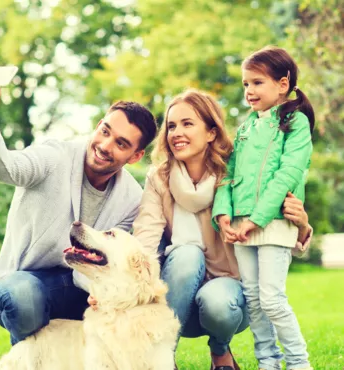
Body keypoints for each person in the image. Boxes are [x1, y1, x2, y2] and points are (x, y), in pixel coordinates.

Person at [0, 67, 157, 345]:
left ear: (136, 156)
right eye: (105, 131)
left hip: (80, 288)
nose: (105, 145)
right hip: (26, 281)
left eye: (121, 143)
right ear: (98, 125)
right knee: (22, 296)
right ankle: (27, 355)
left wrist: (101, 290)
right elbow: (4, 169)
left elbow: (106, 260)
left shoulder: (132, 198)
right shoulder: (54, 155)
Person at [132, 89, 312, 370]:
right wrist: (133, 285)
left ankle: (220, 350)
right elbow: (145, 235)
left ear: (212, 133)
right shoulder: (159, 178)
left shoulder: (237, 173)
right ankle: (162, 359)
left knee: (217, 301)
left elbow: (274, 228)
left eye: (188, 124)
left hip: (227, 301)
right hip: (174, 297)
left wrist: (301, 226)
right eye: (171, 126)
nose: (176, 132)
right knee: (188, 254)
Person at [212, 46, 314, 370]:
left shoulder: (295, 123)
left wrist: (257, 219)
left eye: (257, 83)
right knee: (254, 302)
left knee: (272, 298)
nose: (249, 91)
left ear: (282, 84)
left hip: (273, 223)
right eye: (245, 84)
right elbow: (226, 175)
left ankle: (299, 364)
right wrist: (223, 215)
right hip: (241, 226)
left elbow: (288, 173)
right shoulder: (245, 129)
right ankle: (267, 363)